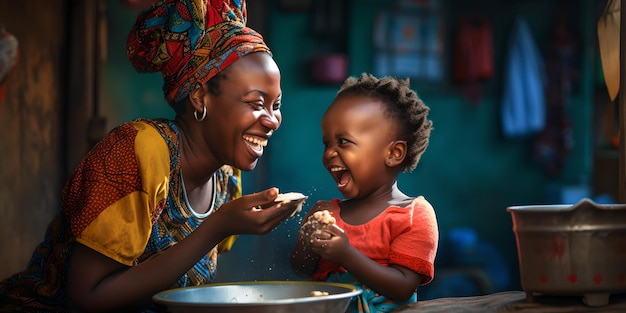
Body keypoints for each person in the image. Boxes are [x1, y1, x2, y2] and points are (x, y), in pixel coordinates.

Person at [0, 1, 300, 312]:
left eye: (275, 105)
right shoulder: (138, 152)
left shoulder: (225, 176)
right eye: (256, 103)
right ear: (200, 97)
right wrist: (219, 226)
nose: (272, 120)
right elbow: (86, 296)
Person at [290, 73, 439, 312]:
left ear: (394, 153)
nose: (329, 153)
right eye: (327, 143)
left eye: (344, 142)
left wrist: (346, 255)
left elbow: (403, 287)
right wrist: (308, 241)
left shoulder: (413, 215)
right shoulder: (327, 212)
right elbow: (301, 269)